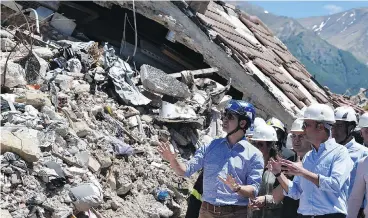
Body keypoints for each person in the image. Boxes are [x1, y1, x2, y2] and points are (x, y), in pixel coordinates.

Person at [158, 100, 264, 218]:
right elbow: (185, 171)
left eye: (230, 116)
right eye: (225, 114)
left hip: (234, 213)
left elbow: (253, 190)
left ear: (243, 123)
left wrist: (237, 188)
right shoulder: (211, 146)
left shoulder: (254, 155)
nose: (224, 119)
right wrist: (173, 160)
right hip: (206, 211)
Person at [268, 103, 354, 217]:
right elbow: (295, 192)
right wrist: (278, 173)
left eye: (306, 125)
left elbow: (335, 185)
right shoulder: (308, 156)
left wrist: (302, 172)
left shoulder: (340, 152)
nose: (303, 129)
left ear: (320, 127)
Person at [271, 118, 312, 218]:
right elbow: (275, 197)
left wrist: (302, 172)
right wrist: (288, 176)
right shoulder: (287, 161)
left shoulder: (317, 162)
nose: (296, 140)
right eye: (294, 136)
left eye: (301, 136)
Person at [332, 106, 368, 196]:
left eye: (339, 125)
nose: (334, 130)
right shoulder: (326, 152)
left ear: (350, 128)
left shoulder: (363, 153)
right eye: (333, 125)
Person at [248, 124, 282, 218]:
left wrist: (265, 200)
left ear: (270, 145)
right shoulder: (247, 165)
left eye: (260, 144)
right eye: (254, 144)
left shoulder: (280, 168)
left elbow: (285, 196)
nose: (256, 147)